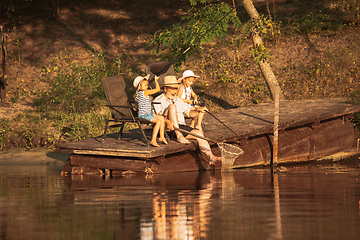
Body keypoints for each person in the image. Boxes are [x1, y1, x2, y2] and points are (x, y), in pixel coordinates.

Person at [153, 75, 221, 165]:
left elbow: (189, 113)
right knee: (172, 107)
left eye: (176, 89)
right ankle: (179, 135)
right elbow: (156, 117)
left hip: (181, 127)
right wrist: (167, 120)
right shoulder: (158, 100)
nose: (175, 91)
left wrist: (198, 110)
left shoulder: (178, 100)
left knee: (199, 133)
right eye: (172, 89)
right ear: (165, 89)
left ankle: (211, 157)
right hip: (167, 128)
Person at [133, 74, 171, 147]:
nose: (147, 87)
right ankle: (153, 140)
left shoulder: (137, 95)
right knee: (158, 121)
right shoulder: (144, 92)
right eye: (144, 85)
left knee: (162, 118)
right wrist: (156, 80)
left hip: (148, 114)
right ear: (139, 87)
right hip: (144, 115)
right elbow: (157, 90)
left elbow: (137, 106)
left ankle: (161, 136)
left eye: (147, 85)